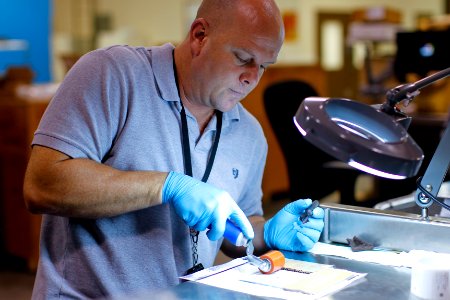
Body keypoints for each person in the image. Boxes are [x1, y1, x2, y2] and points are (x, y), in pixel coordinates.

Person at [23, 0, 324, 298]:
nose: (252, 78)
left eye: (264, 65)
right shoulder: (112, 74)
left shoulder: (249, 134)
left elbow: (235, 231)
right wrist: (166, 186)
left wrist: (266, 232)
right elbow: (41, 184)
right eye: (243, 57)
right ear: (199, 36)